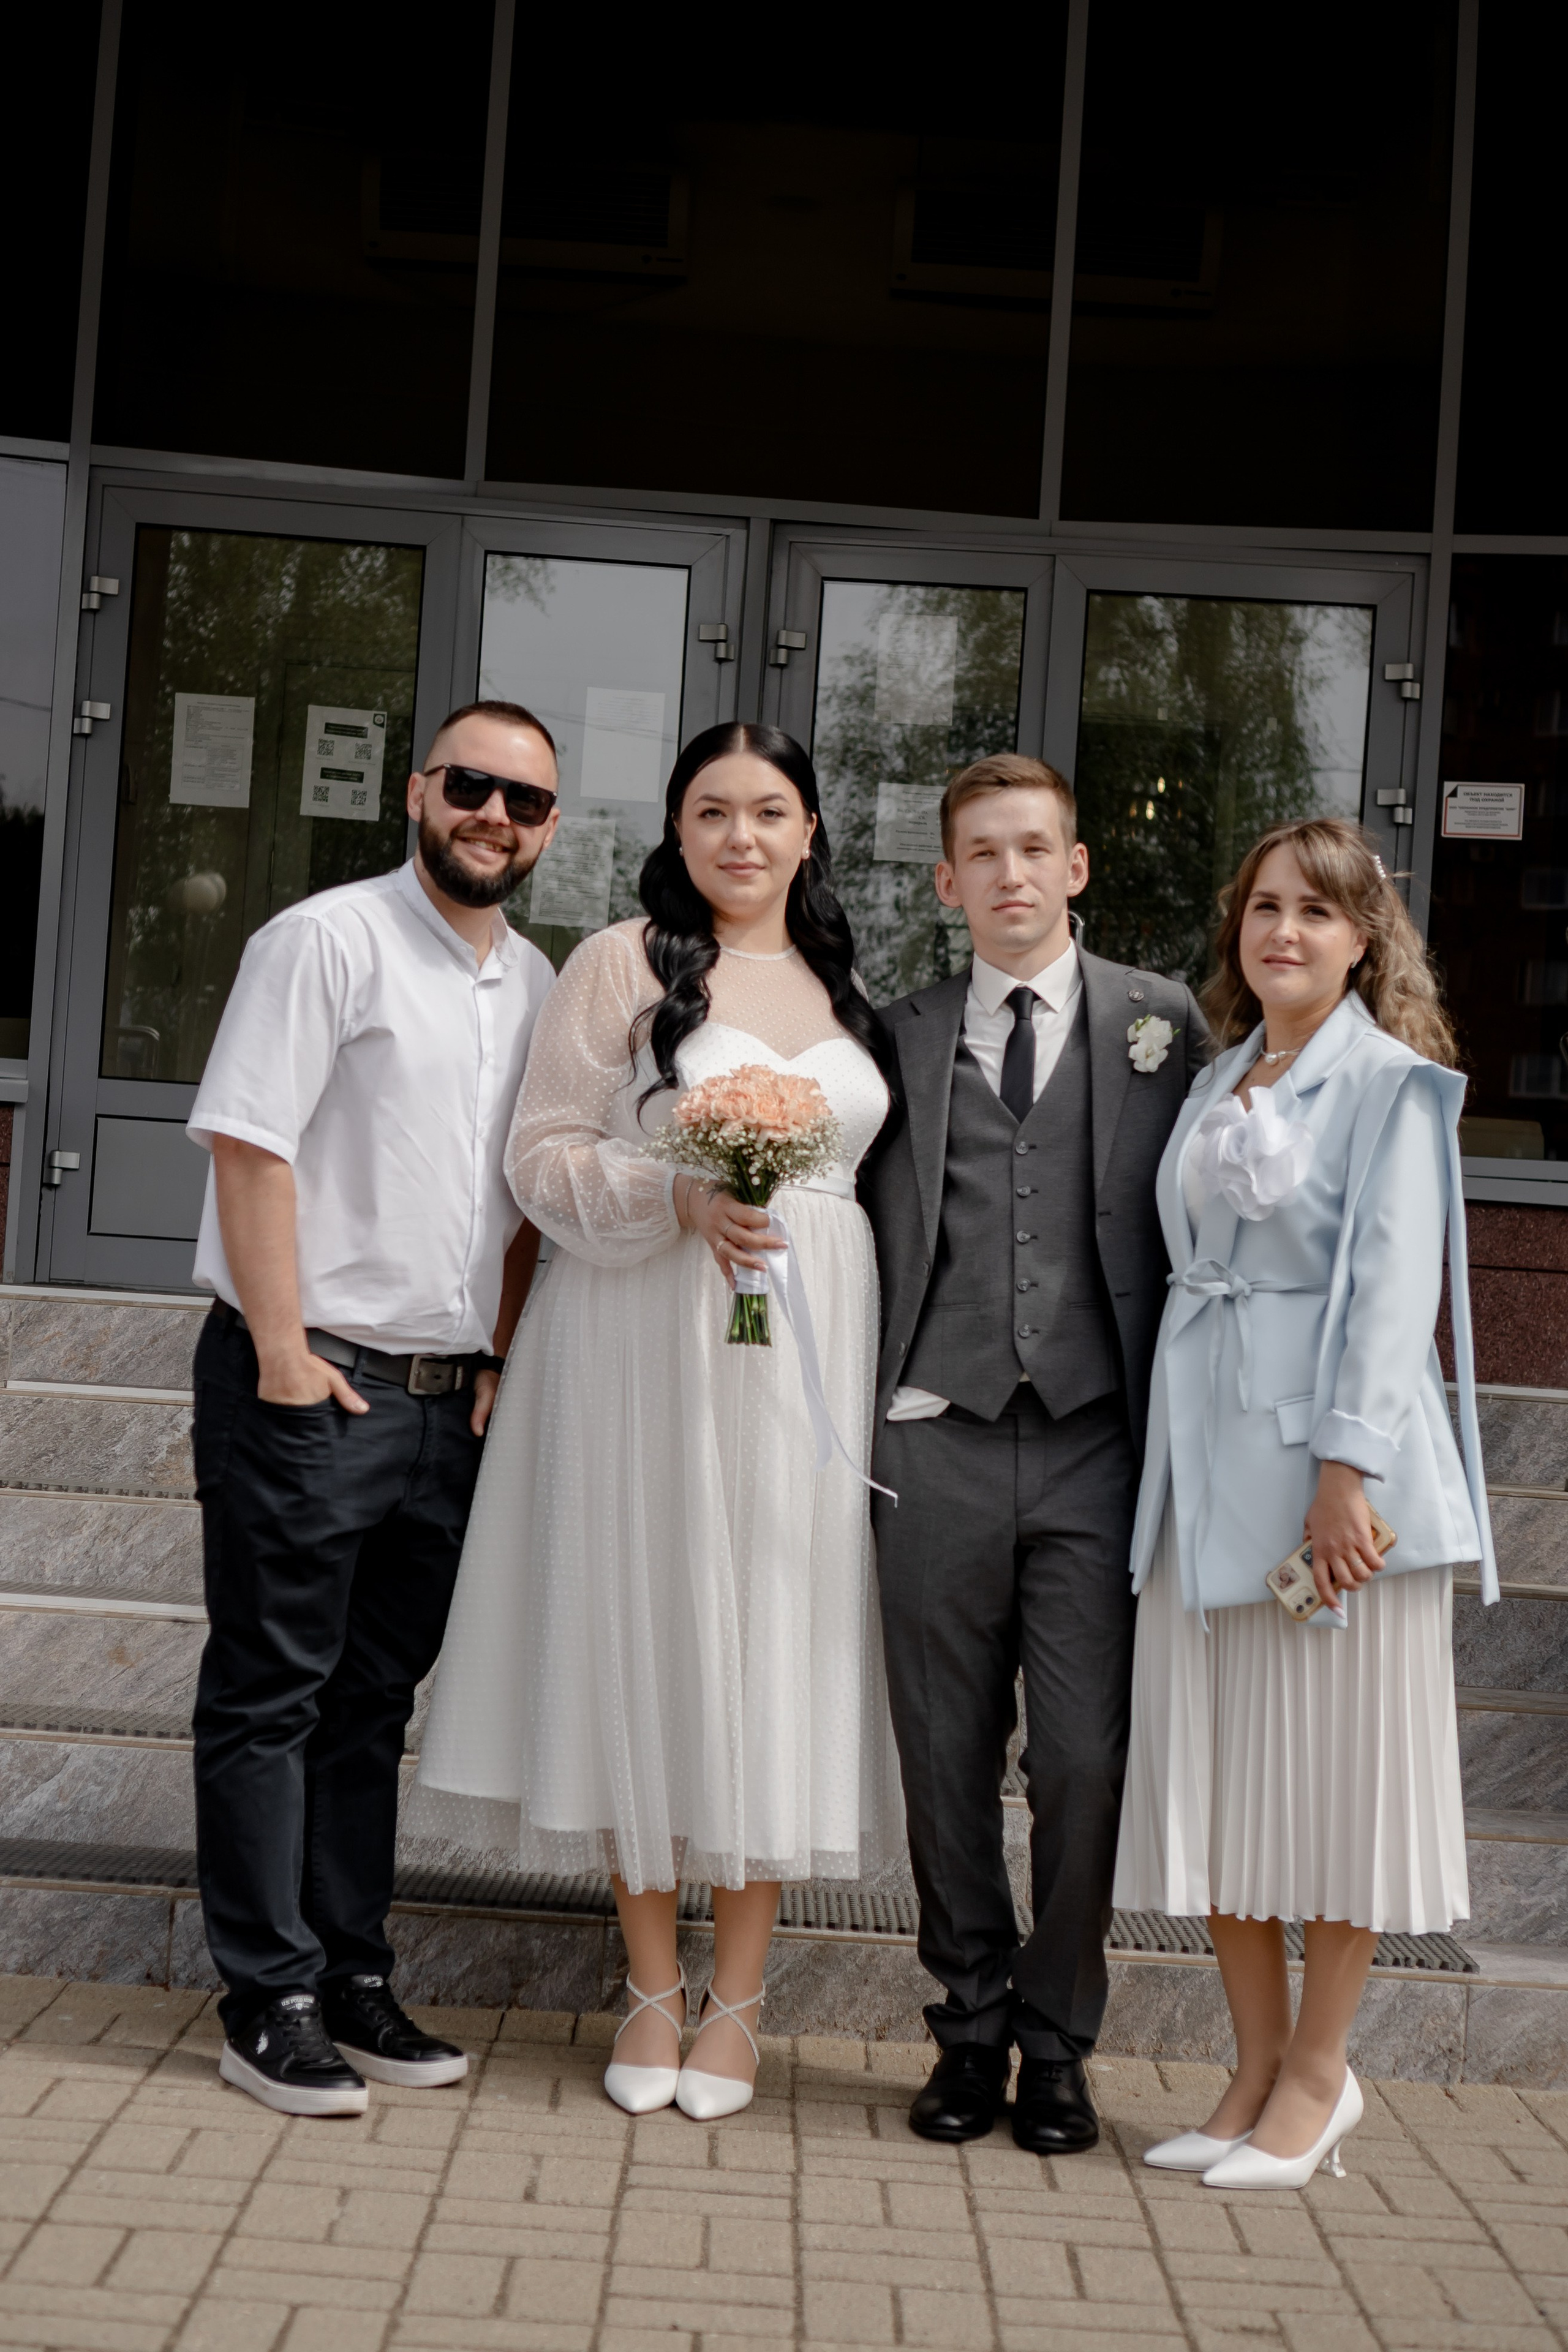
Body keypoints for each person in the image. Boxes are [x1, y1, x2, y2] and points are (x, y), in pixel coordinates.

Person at [415, 721, 903, 2120]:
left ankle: (738, 1999)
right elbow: (540, 1153)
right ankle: (645, 1983)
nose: (740, 837)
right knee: (640, 1626)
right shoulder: (621, 963)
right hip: (640, 1333)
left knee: (772, 1641)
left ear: (810, 830)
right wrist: (675, 1195)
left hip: (806, 1346)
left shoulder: (851, 984)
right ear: (676, 830)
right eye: (710, 812)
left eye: (768, 811)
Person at [186, 698, 560, 2116]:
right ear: (417, 792)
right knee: (270, 1696)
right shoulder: (323, 940)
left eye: (525, 802)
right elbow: (249, 1148)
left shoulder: (535, 984)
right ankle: (266, 2000)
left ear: (547, 829)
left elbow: (518, 1202)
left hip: (443, 1406)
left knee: (368, 1707)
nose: (494, 817)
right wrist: (284, 1354)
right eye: (471, 786)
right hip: (311, 1378)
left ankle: (349, 1978)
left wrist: (500, 1360)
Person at [1120, 817, 1496, 2190]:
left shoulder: (1391, 1086)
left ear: (1362, 941)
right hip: (1200, 1470)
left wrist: (1346, 1475)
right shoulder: (1220, 1074)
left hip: (1325, 1486)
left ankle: (1322, 2078)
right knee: (1225, 1783)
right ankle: (1253, 2070)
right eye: (1265, 906)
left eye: (1316, 913)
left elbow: (1396, 1293)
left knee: (1335, 1785)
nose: (1284, 931)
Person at [859, 753, 1207, 2153]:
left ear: (1075, 868)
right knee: (941, 1757)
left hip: (1096, 1448)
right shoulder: (893, 1035)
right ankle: (968, 2030)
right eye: (981, 854)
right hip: (933, 1440)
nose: (1009, 873)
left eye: (1032, 849)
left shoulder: (1165, 1025)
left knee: (1079, 1759)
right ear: (947, 883)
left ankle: (1057, 2042)